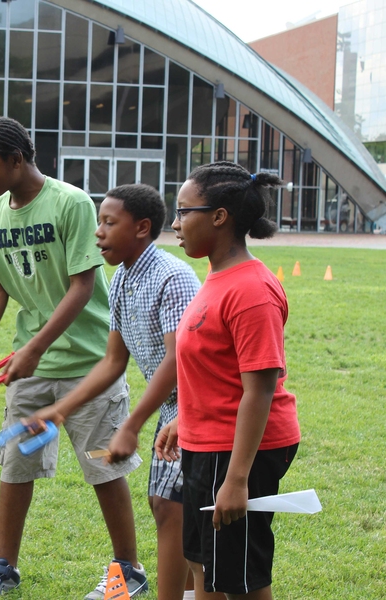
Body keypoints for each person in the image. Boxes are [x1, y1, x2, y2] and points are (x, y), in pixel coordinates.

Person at [0, 117, 146, 599]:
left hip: (89, 364)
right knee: (15, 465)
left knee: (103, 467)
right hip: (31, 367)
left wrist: (35, 347)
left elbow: (83, 285)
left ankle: (128, 570)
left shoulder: (70, 203)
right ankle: (2, 568)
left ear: (17, 160)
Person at [22, 184, 200, 600]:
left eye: (108, 222)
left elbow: (179, 363)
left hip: (196, 406)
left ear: (141, 228)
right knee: (168, 509)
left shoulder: (172, 277)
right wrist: (60, 410)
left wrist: (131, 424)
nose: (98, 233)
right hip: (173, 409)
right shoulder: (120, 278)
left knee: (174, 511)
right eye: (98, 222)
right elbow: (112, 361)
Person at [157, 161, 301, 600]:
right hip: (209, 441)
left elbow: (259, 389)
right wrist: (187, 417)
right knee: (205, 564)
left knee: (239, 580)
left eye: (184, 212)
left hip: (237, 450)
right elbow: (217, 367)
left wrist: (237, 478)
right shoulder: (218, 275)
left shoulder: (252, 290)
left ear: (219, 216)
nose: (176, 223)